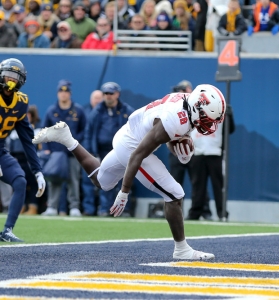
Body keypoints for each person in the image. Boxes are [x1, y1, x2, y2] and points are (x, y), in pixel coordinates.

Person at [33, 83, 226, 260]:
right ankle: (182, 249)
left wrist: (177, 142)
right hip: (132, 146)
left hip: (127, 133)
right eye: (207, 118)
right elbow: (138, 154)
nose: (210, 124)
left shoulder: (186, 101)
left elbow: (164, 133)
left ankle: (67, 139)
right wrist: (124, 191)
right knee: (174, 194)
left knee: (102, 182)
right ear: (196, 108)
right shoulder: (177, 120)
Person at [0, 58, 46, 242]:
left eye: (15, 77)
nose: (11, 81)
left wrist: (37, 171)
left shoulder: (21, 102)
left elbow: (28, 140)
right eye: (8, 76)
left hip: (1, 150)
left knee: (20, 181)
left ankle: (7, 231)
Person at [83, 82, 134, 216]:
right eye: (105, 93)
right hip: (102, 151)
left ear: (117, 94)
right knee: (105, 181)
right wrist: (91, 153)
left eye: (111, 93)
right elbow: (89, 133)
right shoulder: (97, 111)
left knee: (125, 180)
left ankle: (124, 209)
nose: (108, 96)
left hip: (122, 150)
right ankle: (105, 209)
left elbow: (136, 128)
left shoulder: (126, 110)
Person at [41, 80, 86, 217]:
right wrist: (46, 148)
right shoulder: (51, 111)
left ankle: (74, 207)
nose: (64, 94)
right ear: (57, 93)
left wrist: (75, 143)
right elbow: (44, 131)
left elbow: (84, 130)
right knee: (54, 179)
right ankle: (52, 207)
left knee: (73, 179)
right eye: (61, 91)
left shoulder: (78, 110)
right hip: (56, 152)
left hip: (73, 152)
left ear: (70, 94)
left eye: (66, 91)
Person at [169, 80, 212, 221]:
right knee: (175, 183)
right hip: (176, 149)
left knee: (198, 182)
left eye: (181, 90)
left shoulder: (199, 105)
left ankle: (203, 211)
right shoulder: (172, 105)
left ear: (188, 89)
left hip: (194, 150)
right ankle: (175, 212)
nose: (178, 93)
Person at [188, 103, 235, 221]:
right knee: (198, 186)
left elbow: (230, 130)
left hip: (215, 153)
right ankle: (195, 212)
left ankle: (222, 213)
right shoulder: (193, 112)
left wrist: (230, 116)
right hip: (198, 153)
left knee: (218, 186)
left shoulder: (220, 113)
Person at [8, 105, 43, 215]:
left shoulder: (37, 129)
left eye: (29, 114)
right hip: (17, 160)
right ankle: (20, 206)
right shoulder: (14, 129)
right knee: (19, 183)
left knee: (33, 184)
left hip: (31, 160)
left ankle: (33, 206)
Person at [81, 90, 103, 216]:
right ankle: (88, 209)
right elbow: (84, 133)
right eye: (95, 98)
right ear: (91, 99)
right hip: (88, 152)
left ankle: (104, 209)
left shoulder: (105, 111)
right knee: (87, 181)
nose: (97, 100)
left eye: (99, 98)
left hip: (105, 152)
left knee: (106, 181)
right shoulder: (85, 112)